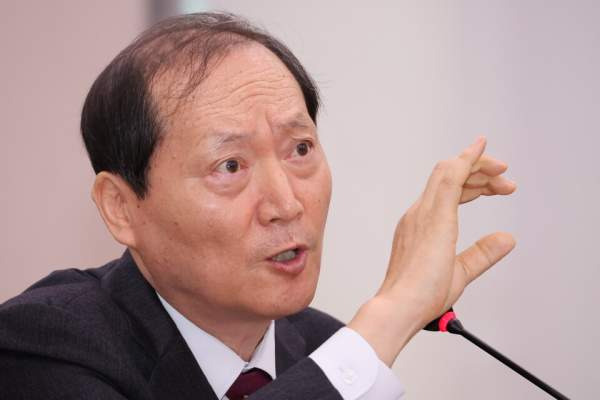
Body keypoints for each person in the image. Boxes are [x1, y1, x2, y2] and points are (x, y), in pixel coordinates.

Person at [0, 12, 516, 400]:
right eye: (230, 166)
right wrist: (393, 314)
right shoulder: (44, 344)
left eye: (300, 149)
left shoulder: (323, 345)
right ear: (121, 208)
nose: (287, 204)